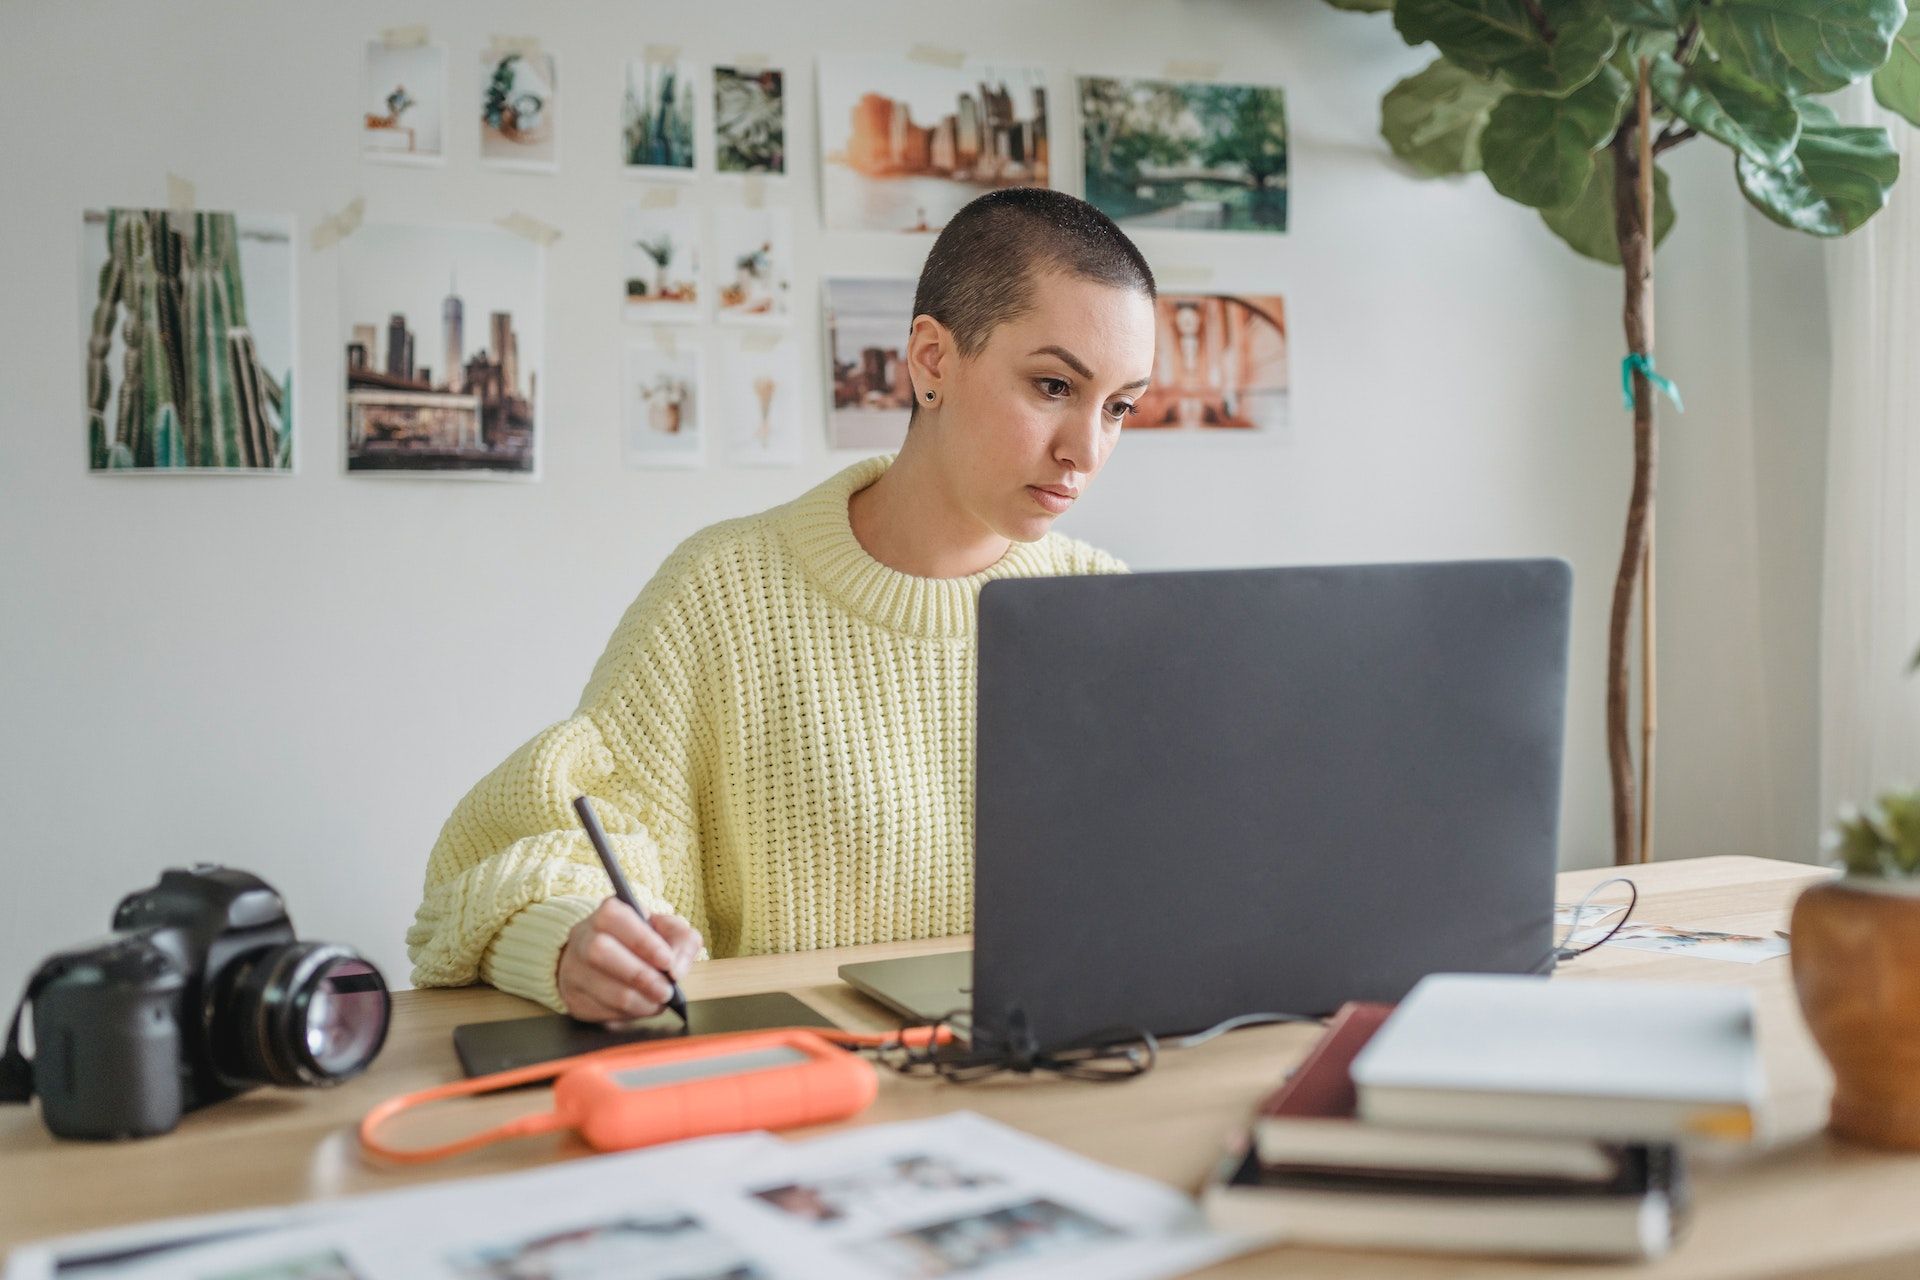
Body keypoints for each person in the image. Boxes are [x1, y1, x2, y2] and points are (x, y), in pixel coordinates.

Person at [406, 187, 1158, 1022]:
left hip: (1054, 1097)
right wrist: (567, 940)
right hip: (799, 1106)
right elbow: (519, 855)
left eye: (1120, 406)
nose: (1086, 450)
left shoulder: (1105, 610)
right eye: (1054, 385)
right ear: (932, 361)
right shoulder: (724, 594)